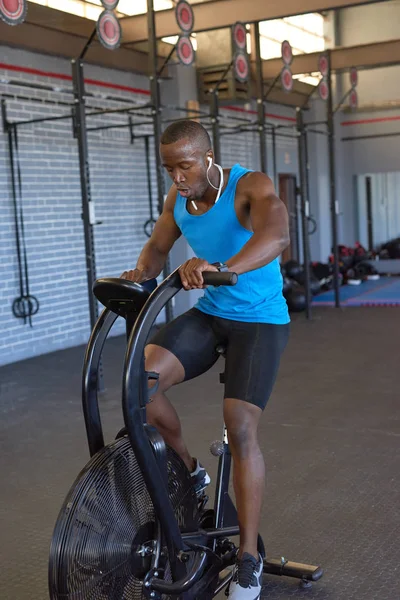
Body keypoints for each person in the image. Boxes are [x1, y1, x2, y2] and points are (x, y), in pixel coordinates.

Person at [121, 119, 290, 600]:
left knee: (239, 428)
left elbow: (276, 236)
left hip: (260, 320)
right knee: (141, 384)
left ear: (208, 157)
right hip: (213, 313)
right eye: (168, 168)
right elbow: (158, 247)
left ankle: (248, 559)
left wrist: (221, 268)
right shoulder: (179, 201)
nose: (177, 177)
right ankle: (190, 472)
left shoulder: (249, 185)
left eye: (185, 166)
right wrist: (140, 273)